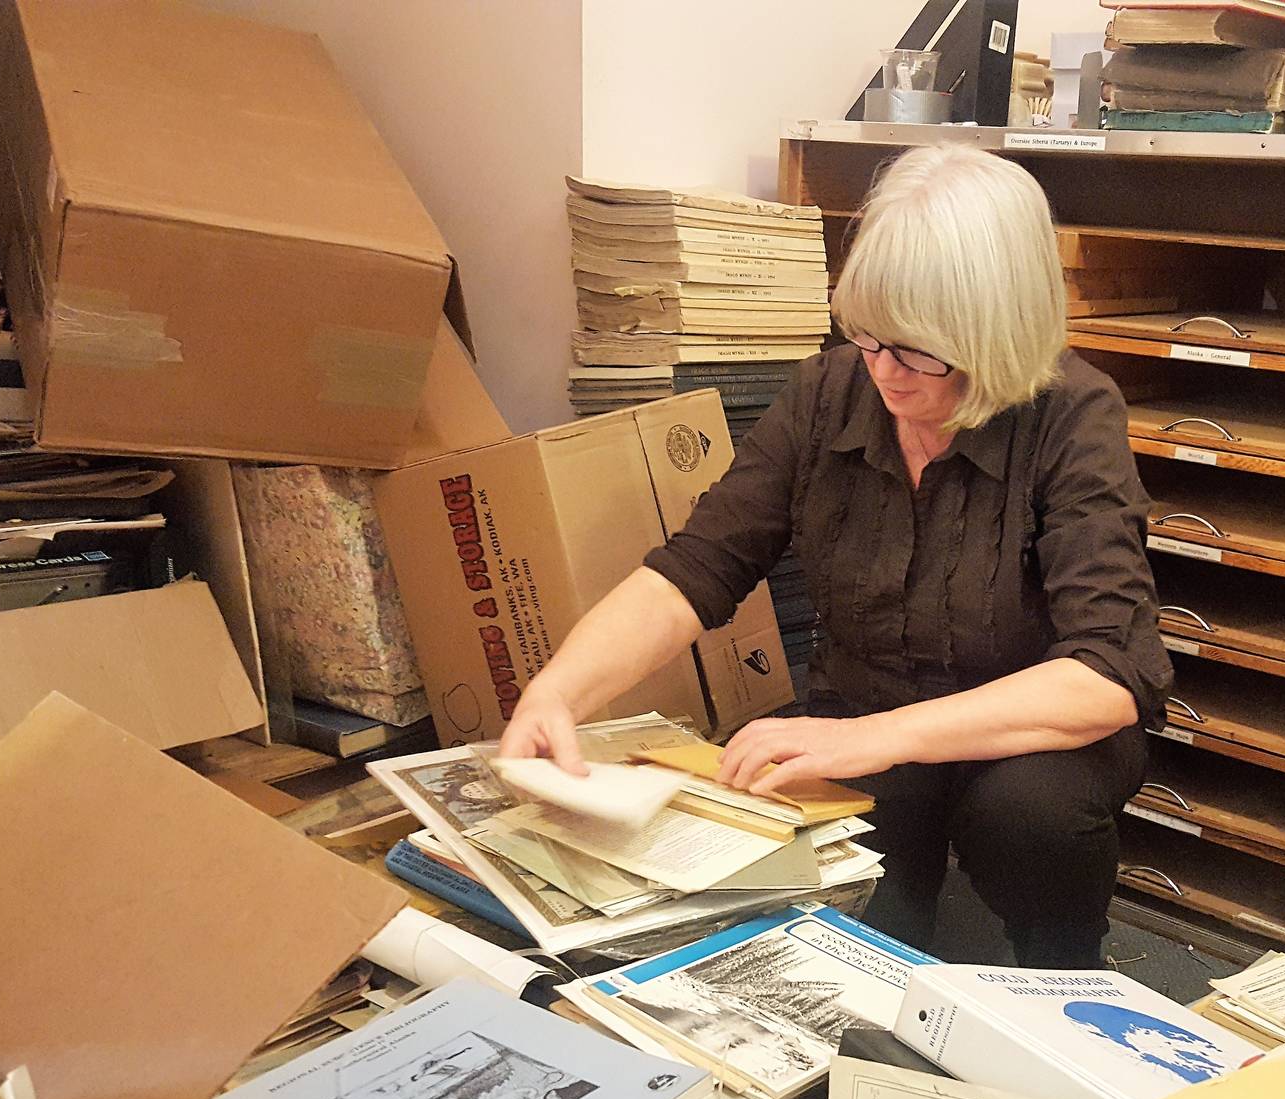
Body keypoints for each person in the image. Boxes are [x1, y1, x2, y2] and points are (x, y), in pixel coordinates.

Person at [498, 145, 1171, 968]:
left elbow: (1106, 677)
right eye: (868, 334)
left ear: (998, 332)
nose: (885, 370)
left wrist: (879, 738)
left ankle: (1066, 962)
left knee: (1030, 815)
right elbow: (695, 569)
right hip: (866, 718)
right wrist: (557, 689)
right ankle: (899, 907)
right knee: (837, 936)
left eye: (920, 349)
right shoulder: (830, 391)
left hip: (1027, 744)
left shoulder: (1073, 415)